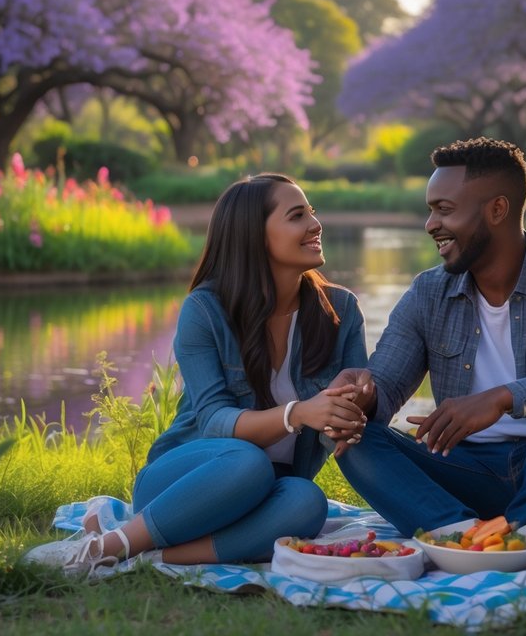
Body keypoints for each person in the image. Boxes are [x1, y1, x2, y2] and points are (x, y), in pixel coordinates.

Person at [25, 173, 369, 574]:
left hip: (273, 487)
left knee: (308, 501)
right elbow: (214, 420)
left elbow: (349, 418)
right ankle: (104, 547)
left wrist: (355, 405)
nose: (315, 224)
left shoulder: (341, 312)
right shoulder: (205, 310)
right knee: (248, 461)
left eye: (311, 212)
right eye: (297, 215)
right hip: (187, 479)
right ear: (254, 235)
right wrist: (298, 413)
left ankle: (148, 557)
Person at [330, 138, 526, 537]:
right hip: (465, 469)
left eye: (444, 210)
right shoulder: (428, 293)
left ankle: (520, 530)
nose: (430, 225)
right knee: (356, 437)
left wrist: (502, 398)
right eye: (430, 210)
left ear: (497, 210)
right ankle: (461, 533)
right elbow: (386, 382)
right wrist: (361, 396)